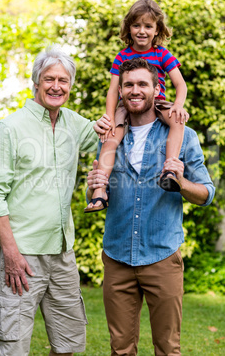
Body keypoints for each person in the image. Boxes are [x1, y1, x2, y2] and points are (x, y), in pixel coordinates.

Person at [87, 57, 215, 355]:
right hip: (117, 257)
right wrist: (94, 184)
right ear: (120, 91)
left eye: (142, 84)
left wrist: (182, 183)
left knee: (168, 348)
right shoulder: (110, 137)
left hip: (162, 257)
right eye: (128, 84)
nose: (135, 90)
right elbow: (94, 197)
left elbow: (206, 193)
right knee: (121, 349)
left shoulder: (184, 135)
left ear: (157, 89)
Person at [0, 46, 99, 356]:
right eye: (49, 79)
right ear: (36, 81)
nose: (56, 86)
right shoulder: (9, 129)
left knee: (68, 343)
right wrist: (10, 251)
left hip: (62, 252)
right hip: (22, 253)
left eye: (63, 80)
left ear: (71, 86)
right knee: (14, 344)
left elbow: (110, 135)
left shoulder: (74, 124)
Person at [85, 0, 189, 213]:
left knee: (178, 121)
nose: (142, 31)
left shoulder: (162, 54)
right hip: (127, 105)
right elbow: (114, 90)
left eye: (148, 26)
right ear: (128, 28)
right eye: (136, 25)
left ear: (157, 29)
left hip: (158, 103)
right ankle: (100, 190)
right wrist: (110, 117)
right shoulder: (122, 56)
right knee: (111, 137)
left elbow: (180, 84)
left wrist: (178, 105)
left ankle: (170, 169)